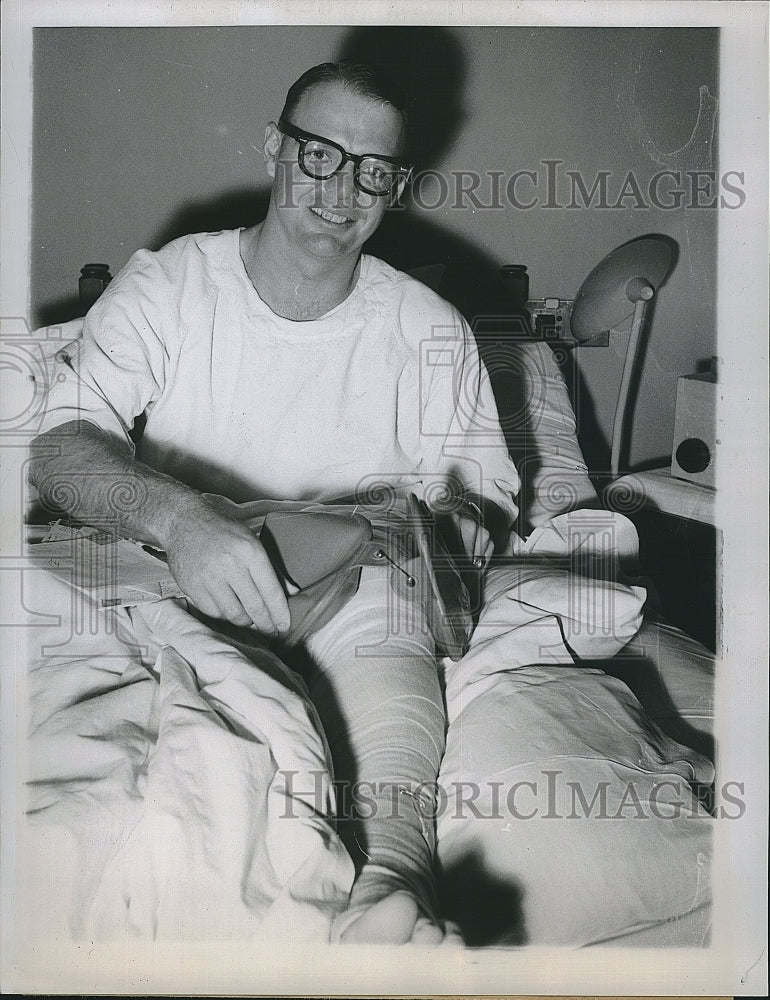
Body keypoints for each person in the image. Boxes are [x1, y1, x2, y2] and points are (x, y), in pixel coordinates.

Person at [29, 61, 521, 945]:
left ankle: (395, 879)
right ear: (274, 149)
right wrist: (182, 521)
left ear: (394, 187)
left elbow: (481, 504)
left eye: (374, 170)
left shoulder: (430, 331)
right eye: (321, 155)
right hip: (173, 573)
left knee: (391, 602)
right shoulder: (174, 286)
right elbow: (59, 447)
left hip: (349, 593)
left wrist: (422, 533)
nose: (343, 191)